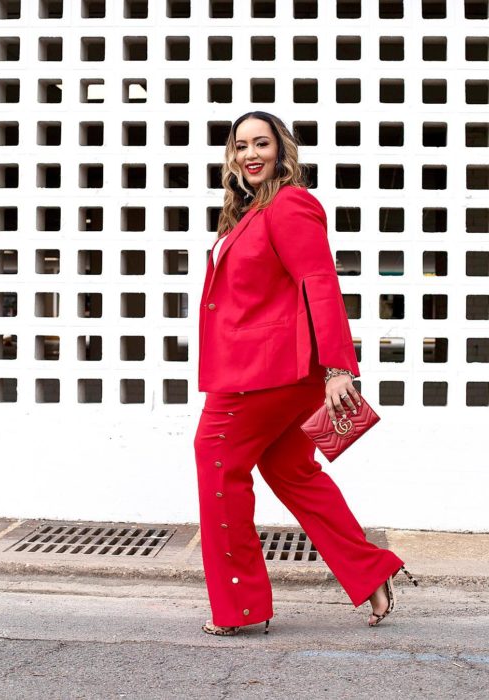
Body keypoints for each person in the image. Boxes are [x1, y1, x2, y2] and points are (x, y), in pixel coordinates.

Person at [193, 110, 417, 637]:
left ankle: (241, 606)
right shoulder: (248, 211)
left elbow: (319, 281)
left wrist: (340, 367)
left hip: (264, 374)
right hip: (271, 371)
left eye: (262, 143)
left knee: (217, 465)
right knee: (292, 472)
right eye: (241, 145)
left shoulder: (290, 203)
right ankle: (372, 572)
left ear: (281, 151)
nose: (251, 154)